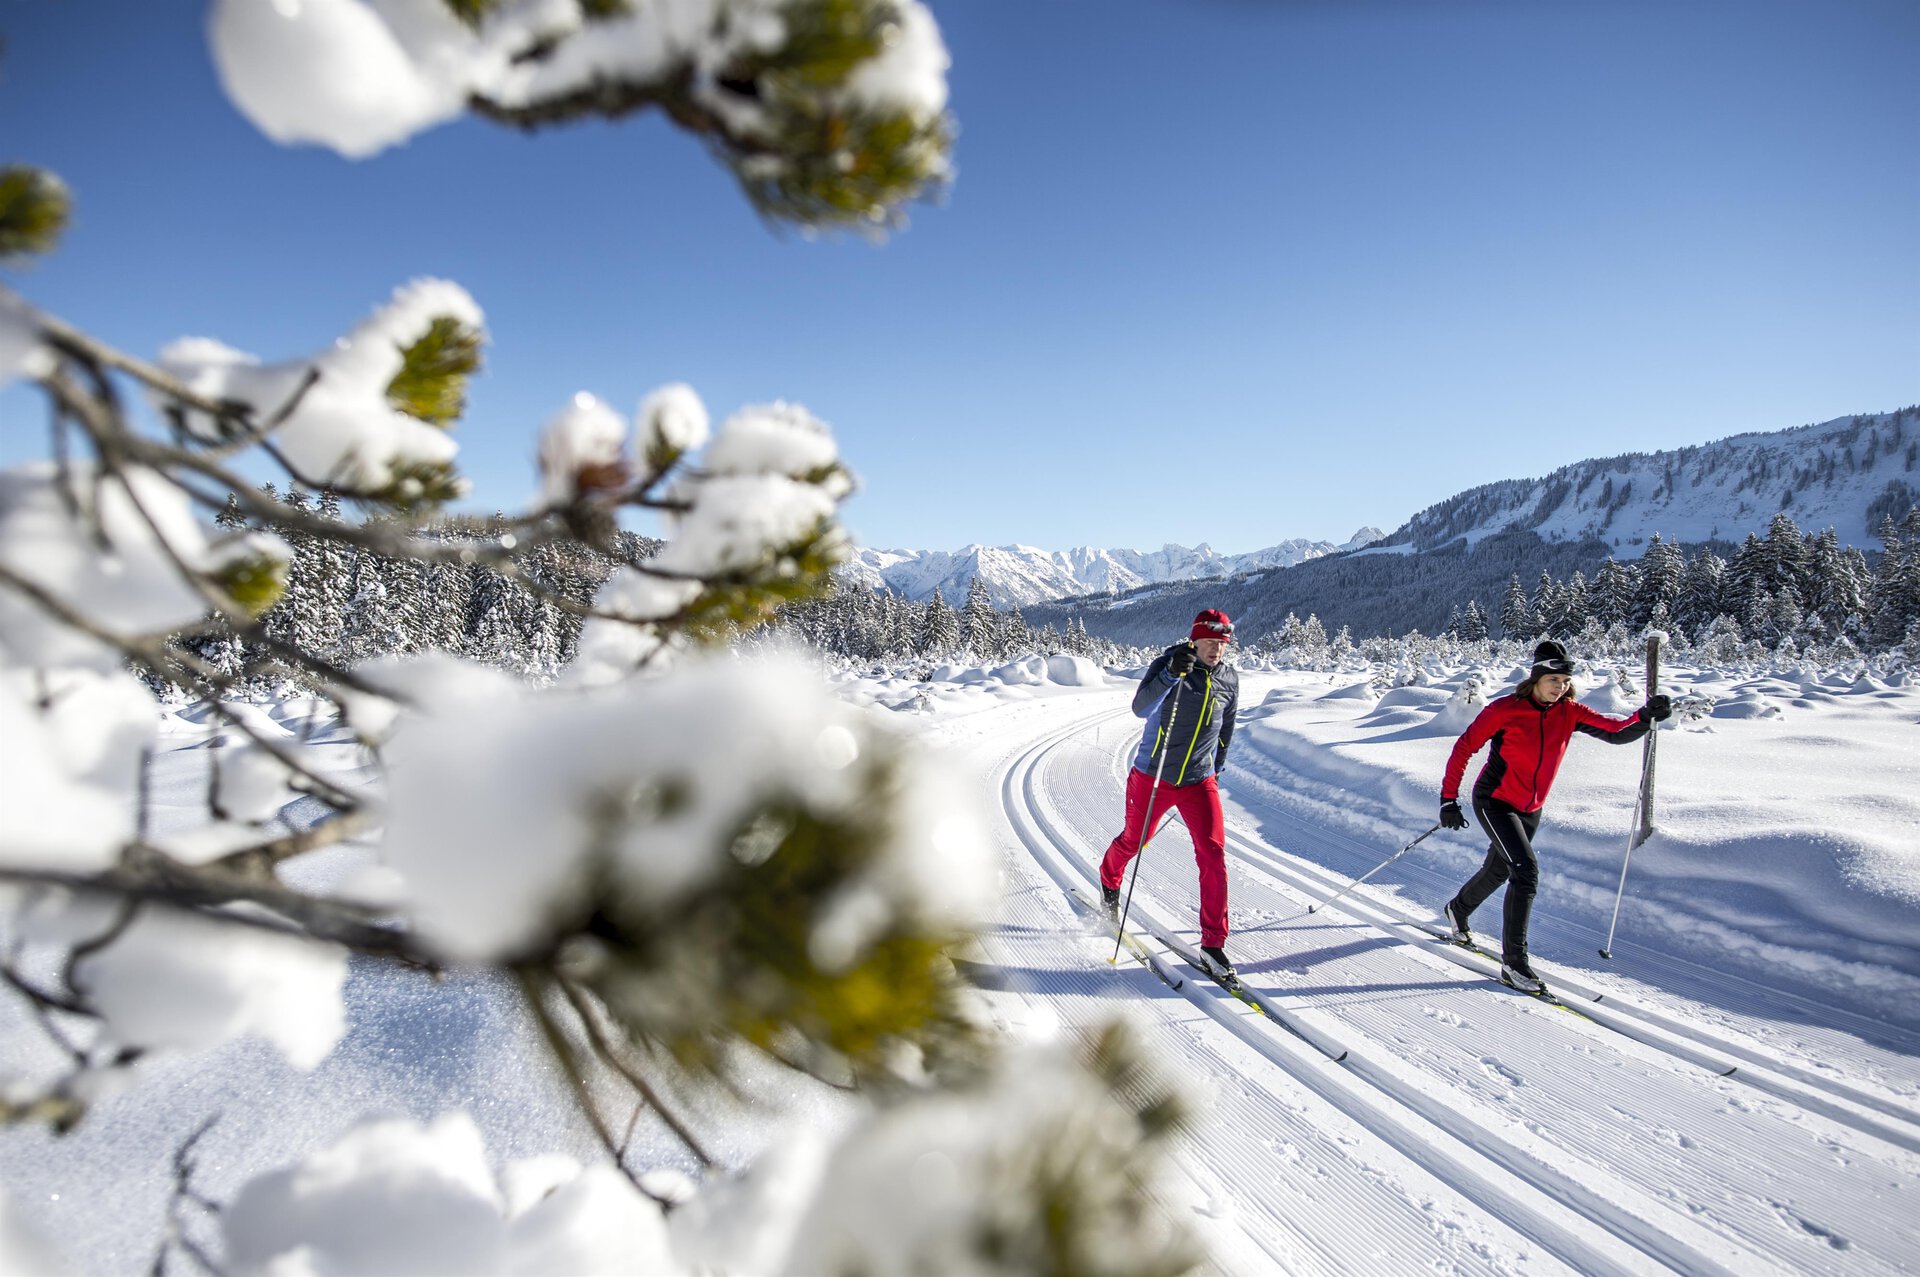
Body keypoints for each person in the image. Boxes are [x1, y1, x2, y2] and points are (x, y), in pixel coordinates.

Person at [1438, 639, 1671, 993]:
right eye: (1553, 681)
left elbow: (1615, 732)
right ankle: (1514, 964)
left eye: (1564, 682)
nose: (1559, 688)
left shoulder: (1569, 711)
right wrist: (1448, 800)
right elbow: (1464, 747)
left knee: (1499, 869)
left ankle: (1458, 909)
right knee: (1525, 872)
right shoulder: (1505, 710)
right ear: (1535, 678)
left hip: (1531, 807)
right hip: (1495, 801)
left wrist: (1644, 716)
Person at [1100, 608, 1241, 980]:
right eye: (1209, 642)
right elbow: (1140, 708)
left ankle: (1213, 944)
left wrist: (1217, 766)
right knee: (1134, 840)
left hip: (1199, 781)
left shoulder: (1228, 678)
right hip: (1154, 776)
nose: (1216, 650)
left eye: (1222, 644)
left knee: (1213, 855)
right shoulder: (1170, 664)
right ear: (1194, 639)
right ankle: (1109, 880)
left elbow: (1226, 726)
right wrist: (1169, 675)